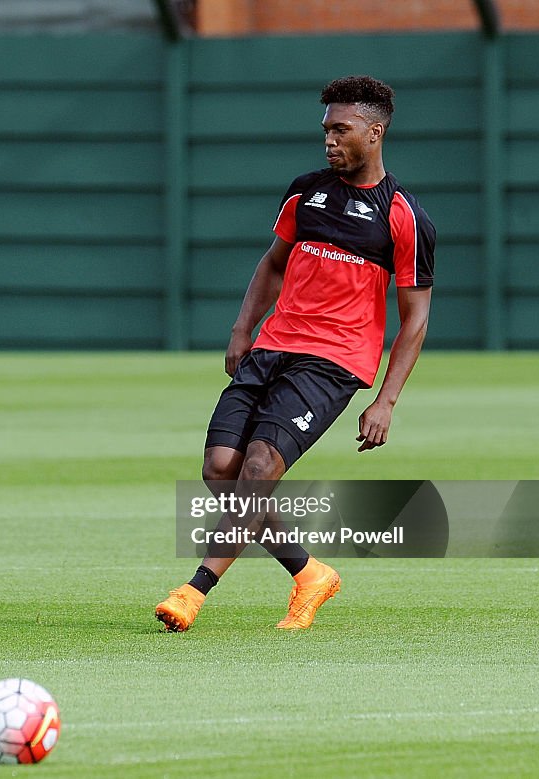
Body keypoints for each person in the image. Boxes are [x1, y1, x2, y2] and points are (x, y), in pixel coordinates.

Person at [156, 75, 435, 632]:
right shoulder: (305, 192)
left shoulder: (404, 216)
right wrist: (242, 330)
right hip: (272, 346)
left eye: (342, 129)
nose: (329, 139)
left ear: (375, 132)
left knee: (259, 467)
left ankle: (195, 588)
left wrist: (387, 401)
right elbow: (273, 263)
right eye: (326, 129)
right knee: (221, 472)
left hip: (333, 362)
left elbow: (416, 318)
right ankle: (310, 574)